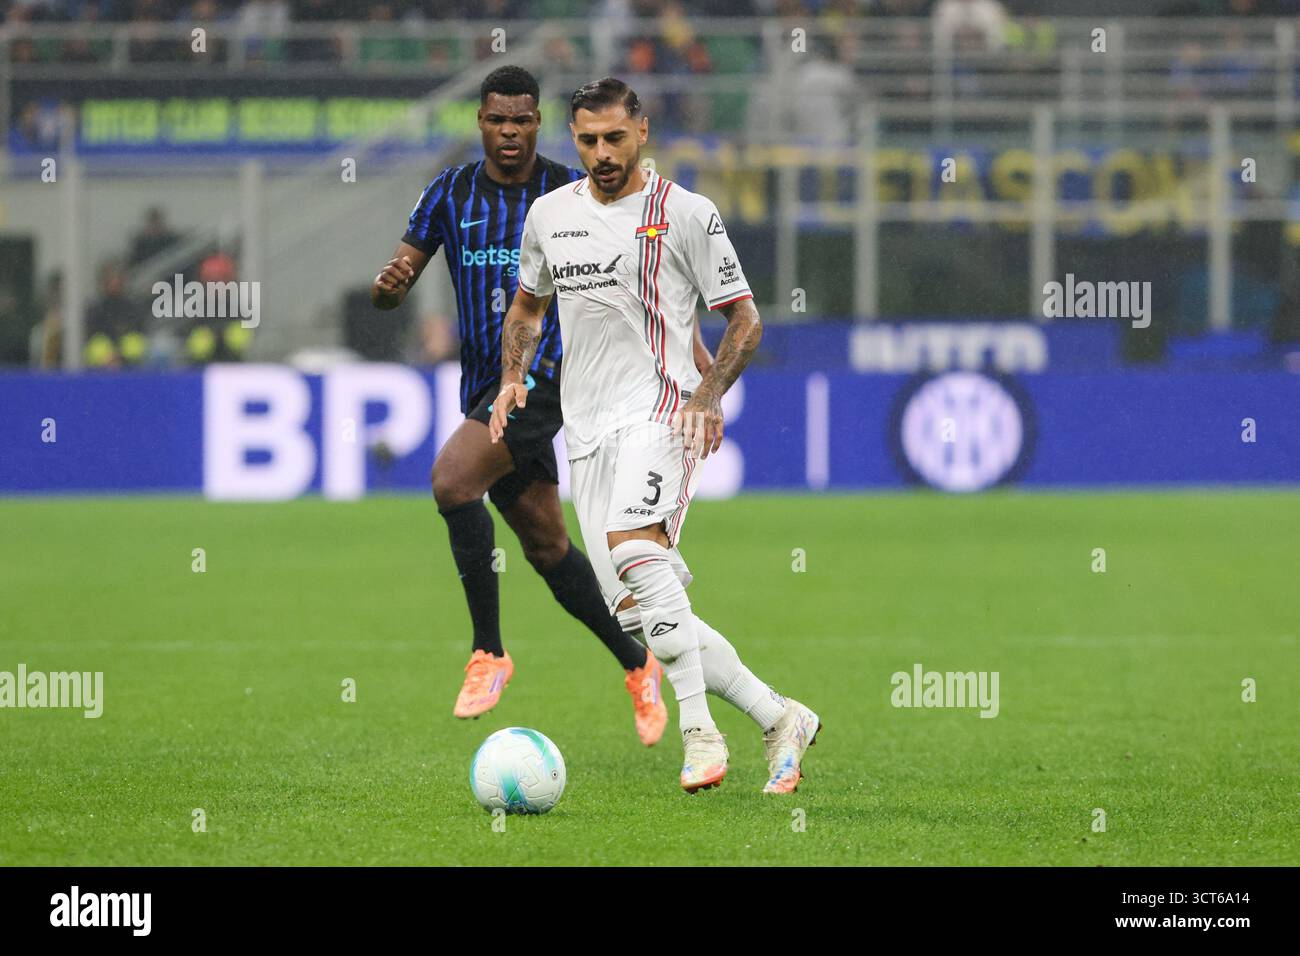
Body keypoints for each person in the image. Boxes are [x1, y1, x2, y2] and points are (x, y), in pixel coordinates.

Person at [490, 77, 820, 794]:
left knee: (636, 549)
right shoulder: (549, 215)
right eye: (587, 140)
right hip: (587, 430)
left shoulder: (686, 214)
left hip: (662, 414)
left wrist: (706, 395)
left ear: (641, 131)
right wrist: (513, 374)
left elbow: (745, 319)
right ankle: (780, 716)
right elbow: (526, 306)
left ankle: (699, 734)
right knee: (639, 613)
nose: (602, 153)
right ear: (570, 139)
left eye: (614, 137)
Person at [371, 65, 670, 746]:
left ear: (539, 124)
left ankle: (489, 653)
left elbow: (631, 272)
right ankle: (638, 663)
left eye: (523, 120)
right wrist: (388, 289)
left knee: (451, 480)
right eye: (497, 120)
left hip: (549, 378)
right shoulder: (448, 192)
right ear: (480, 122)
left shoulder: (570, 193)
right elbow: (399, 277)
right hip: (483, 385)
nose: (510, 132)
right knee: (546, 546)